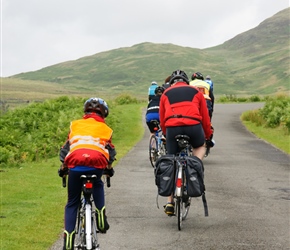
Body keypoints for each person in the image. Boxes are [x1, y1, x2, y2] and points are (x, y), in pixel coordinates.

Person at [58, 97, 117, 250]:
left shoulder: (75, 125)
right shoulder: (106, 129)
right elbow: (110, 151)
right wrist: (109, 168)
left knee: (72, 202)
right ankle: (100, 215)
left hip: (75, 166)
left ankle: (69, 241)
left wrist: (64, 168)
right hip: (96, 165)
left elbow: (67, 149)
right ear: (104, 114)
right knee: (97, 183)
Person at [159, 70, 213, 215]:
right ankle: (193, 164)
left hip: (172, 128)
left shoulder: (165, 94)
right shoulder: (195, 91)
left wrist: (166, 134)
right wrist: (208, 136)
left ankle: (169, 202)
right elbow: (205, 118)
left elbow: (162, 118)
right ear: (186, 81)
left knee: (171, 160)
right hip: (193, 126)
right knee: (200, 147)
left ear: (172, 82)